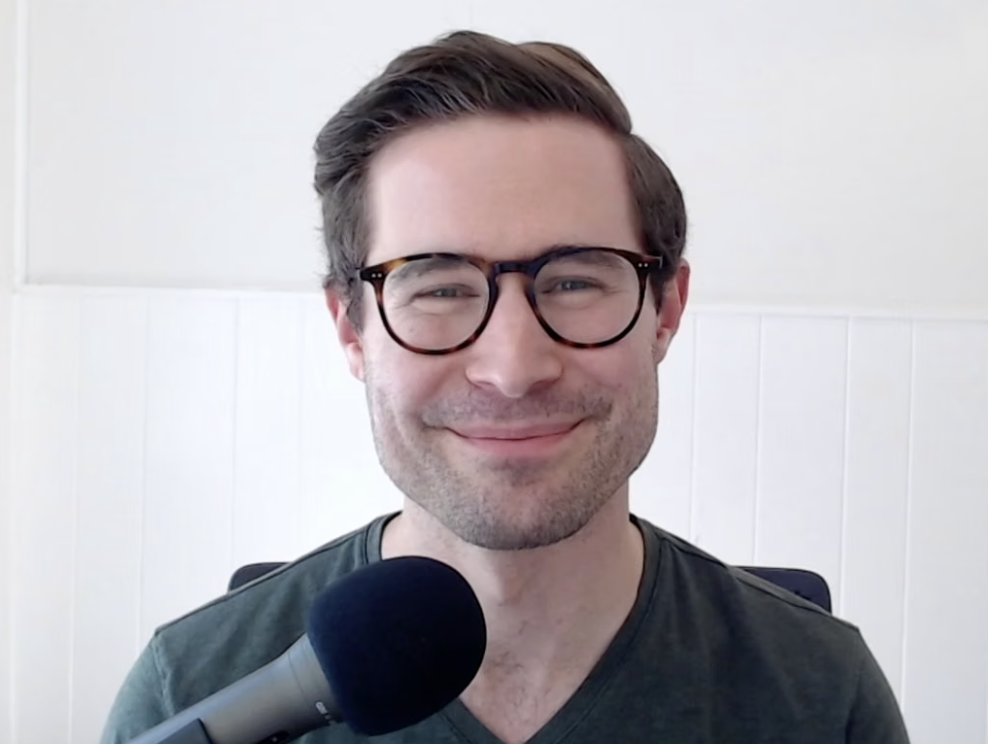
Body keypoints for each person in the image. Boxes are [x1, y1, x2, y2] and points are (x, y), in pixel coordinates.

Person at [101, 30, 910, 744]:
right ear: (352, 330)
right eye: (440, 287)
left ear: (666, 311)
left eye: (574, 283)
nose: (513, 368)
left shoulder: (821, 696)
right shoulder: (195, 695)